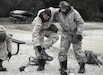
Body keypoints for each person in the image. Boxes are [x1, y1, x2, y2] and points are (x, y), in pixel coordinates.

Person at [57, 1, 87, 75]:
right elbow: (50, 11)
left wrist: (79, 33)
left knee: (78, 51)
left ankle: (82, 66)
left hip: (75, 33)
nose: (62, 10)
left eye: (63, 9)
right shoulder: (59, 13)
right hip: (65, 33)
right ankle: (63, 66)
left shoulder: (74, 13)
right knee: (62, 50)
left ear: (67, 8)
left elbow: (80, 22)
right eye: (60, 8)